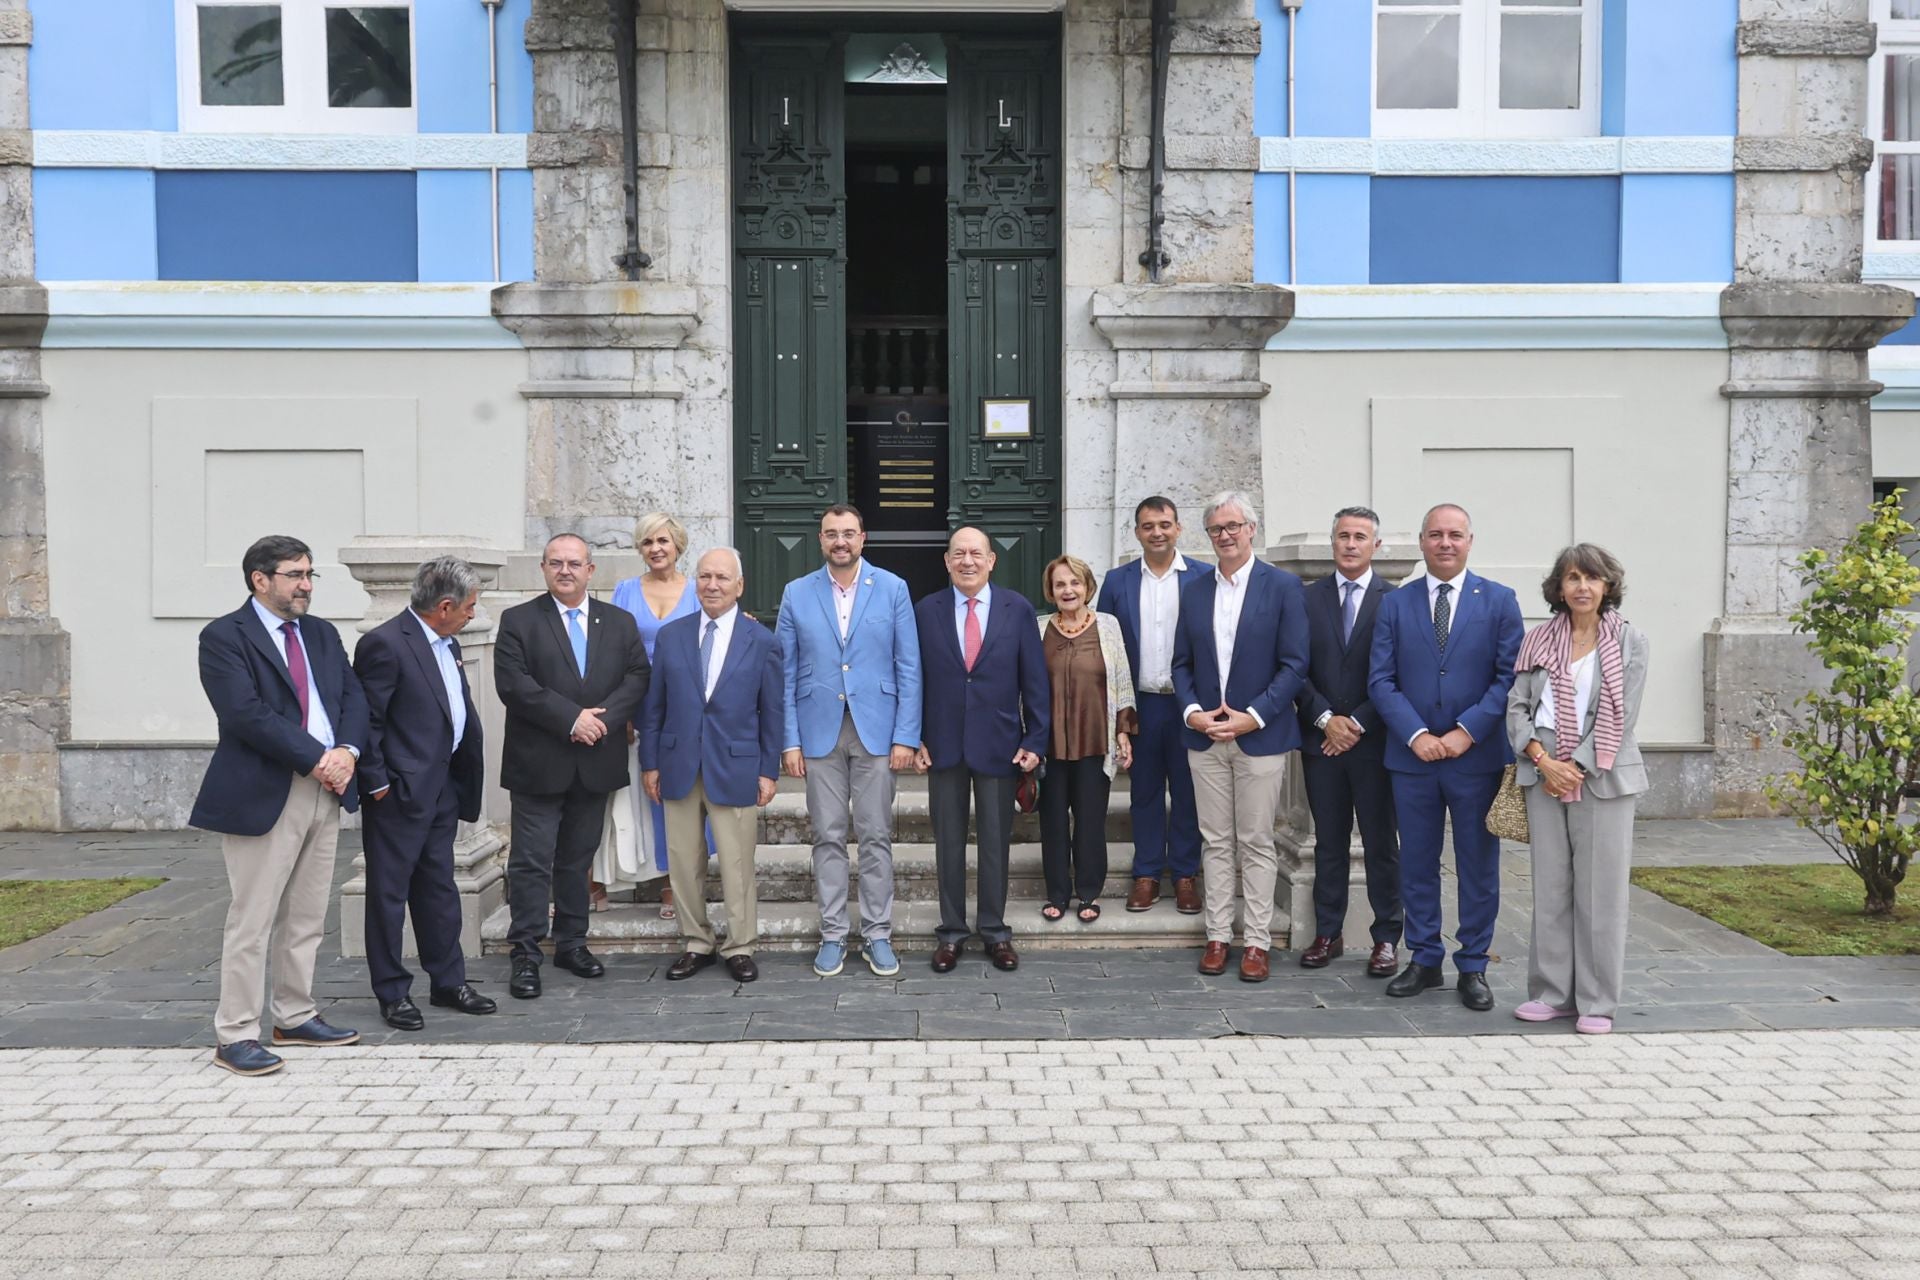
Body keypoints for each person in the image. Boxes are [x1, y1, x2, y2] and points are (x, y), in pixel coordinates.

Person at [190, 535, 366, 1076]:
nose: (306, 585)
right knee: (253, 918)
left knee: (307, 915)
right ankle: (236, 1034)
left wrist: (348, 752)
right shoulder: (224, 637)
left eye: (311, 574)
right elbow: (245, 714)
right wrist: (319, 757)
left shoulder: (321, 633)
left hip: (327, 787)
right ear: (259, 579)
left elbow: (353, 697)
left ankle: (294, 1013)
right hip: (265, 790)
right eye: (294, 575)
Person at [1369, 503, 1524, 1011]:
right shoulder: (1395, 604)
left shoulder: (1500, 601)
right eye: (1435, 534)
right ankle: (1425, 958)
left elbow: (1508, 680)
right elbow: (1381, 680)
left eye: (1455, 535)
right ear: (1421, 542)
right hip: (1412, 759)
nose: (1445, 543)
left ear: (1470, 541)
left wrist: (1465, 732)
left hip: (1474, 759)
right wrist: (1415, 734)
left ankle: (1474, 964)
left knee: (1478, 864)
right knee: (1416, 862)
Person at [494, 534, 650, 1000]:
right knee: (531, 862)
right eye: (556, 563)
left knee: (578, 860)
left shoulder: (619, 622)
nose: (565, 570)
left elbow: (638, 676)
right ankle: (525, 951)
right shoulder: (518, 621)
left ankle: (572, 942)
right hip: (539, 763)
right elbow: (514, 685)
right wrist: (572, 719)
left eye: (574, 563)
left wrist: (601, 722)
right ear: (543, 568)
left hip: (595, 760)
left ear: (590, 570)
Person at [1507, 544, 1648, 1035]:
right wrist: (1544, 761)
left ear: (1607, 585)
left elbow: (1622, 715)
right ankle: (1550, 993)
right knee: (1551, 888)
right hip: (1542, 770)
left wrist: (1576, 766)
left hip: (1603, 775)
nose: (1582, 587)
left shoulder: (1630, 642)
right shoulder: (1539, 639)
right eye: (1572, 578)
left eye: (1591, 578)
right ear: (1559, 588)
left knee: (1600, 893)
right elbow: (1517, 707)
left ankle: (1595, 1002)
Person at [352, 556, 498, 1031]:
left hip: (441, 791)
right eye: (471, 606)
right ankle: (393, 992)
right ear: (445, 605)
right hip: (396, 795)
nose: (474, 614)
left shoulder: (448, 642)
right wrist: (377, 786)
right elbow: (367, 722)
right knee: (389, 896)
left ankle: (447, 981)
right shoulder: (385, 644)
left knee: (439, 889)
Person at [775, 504, 921, 979]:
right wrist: (789, 741)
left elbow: (908, 667)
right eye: (831, 534)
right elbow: (785, 672)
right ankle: (833, 934)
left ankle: (878, 933)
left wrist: (906, 735)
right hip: (818, 732)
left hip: (877, 730)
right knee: (828, 836)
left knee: (876, 835)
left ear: (864, 538)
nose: (841, 541)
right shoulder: (796, 593)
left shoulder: (893, 588)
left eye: (849, 533)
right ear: (820, 540)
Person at [1172, 492, 1310, 983]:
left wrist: (1253, 716)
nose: (1225, 536)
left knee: (1255, 840)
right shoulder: (1193, 591)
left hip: (1260, 737)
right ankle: (1216, 936)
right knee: (1214, 841)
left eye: (1233, 526)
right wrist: (1192, 713)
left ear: (1252, 529)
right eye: (1215, 529)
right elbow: (1182, 663)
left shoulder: (1283, 588)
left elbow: (1295, 666)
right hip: (1205, 736)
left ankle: (1255, 941)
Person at [640, 548, 784, 984]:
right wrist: (651, 762)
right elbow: (655, 706)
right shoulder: (672, 636)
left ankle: (739, 945)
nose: (712, 585)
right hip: (679, 763)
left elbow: (772, 710)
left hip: (736, 766)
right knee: (684, 861)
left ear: (739, 586)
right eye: (705, 577)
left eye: (722, 578)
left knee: (737, 862)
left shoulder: (762, 641)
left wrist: (768, 770)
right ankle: (696, 942)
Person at [914, 526, 1049, 973]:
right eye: (958, 554)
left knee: (995, 845)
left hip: (1000, 746)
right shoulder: (925, 611)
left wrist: (1035, 740)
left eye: (976, 553)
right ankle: (951, 933)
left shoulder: (1018, 609)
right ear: (947, 561)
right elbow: (912, 680)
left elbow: (1035, 682)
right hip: (943, 747)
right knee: (947, 845)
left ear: (992, 560)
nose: (967, 561)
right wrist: (913, 736)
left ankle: (994, 931)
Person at [1296, 507, 1402, 977]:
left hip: (1375, 744)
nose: (1351, 544)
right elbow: (1292, 666)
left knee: (1381, 843)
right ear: (1332, 542)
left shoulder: (1396, 600)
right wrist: (1324, 719)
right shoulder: (1306, 599)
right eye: (1343, 536)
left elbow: (1401, 673)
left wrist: (1356, 722)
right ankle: (1328, 932)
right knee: (1328, 842)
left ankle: (1386, 938)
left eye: (1361, 537)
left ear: (1375, 545)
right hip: (1321, 743)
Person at [1096, 496, 1210, 915]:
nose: (1157, 532)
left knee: (1187, 792)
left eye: (1164, 524)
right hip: (1139, 705)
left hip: (1188, 705)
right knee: (1143, 792)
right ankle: (1145, 873)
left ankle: (1183, 875)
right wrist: (1116, 716)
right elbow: (1105, 645)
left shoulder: (1203, 577)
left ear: (1179, 528)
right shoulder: (1116, 581)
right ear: (1137, 532)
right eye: (1148, 526)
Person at [606, 512, 703, 919]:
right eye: (647, 542)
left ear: (677, 544)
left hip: (684, 704)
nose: (656, 549)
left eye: (662, 541)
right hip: (636, 699)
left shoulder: (701, 590)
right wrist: (620, 711)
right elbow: (610, 653)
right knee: (632, 791)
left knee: (676, 791)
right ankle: (611, 877)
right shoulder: (625, 591)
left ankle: (671, 882)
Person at [1036, 554, 1136, 924]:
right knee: (1053, 821)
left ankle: (1089, 892)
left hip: (1095, 739)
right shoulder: (1037, 627)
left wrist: (1123, 730)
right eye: (1060, 584)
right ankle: (1058, 893)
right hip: (1049, 745)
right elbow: (1026, 689)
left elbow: (1122, 680)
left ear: (1087, 587)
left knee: (1091, 820)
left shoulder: (1108, 626)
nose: (1068, 590)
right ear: (1051, 590)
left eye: (1075, 582)